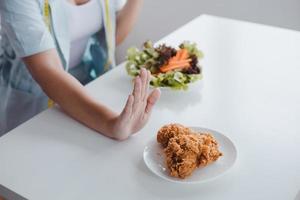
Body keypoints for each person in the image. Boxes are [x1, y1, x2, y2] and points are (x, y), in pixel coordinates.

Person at [0, 0, 161, 139]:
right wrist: (111, 124)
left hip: (88, 92)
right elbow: (48, 69)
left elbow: (113, 35)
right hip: (34, 106)